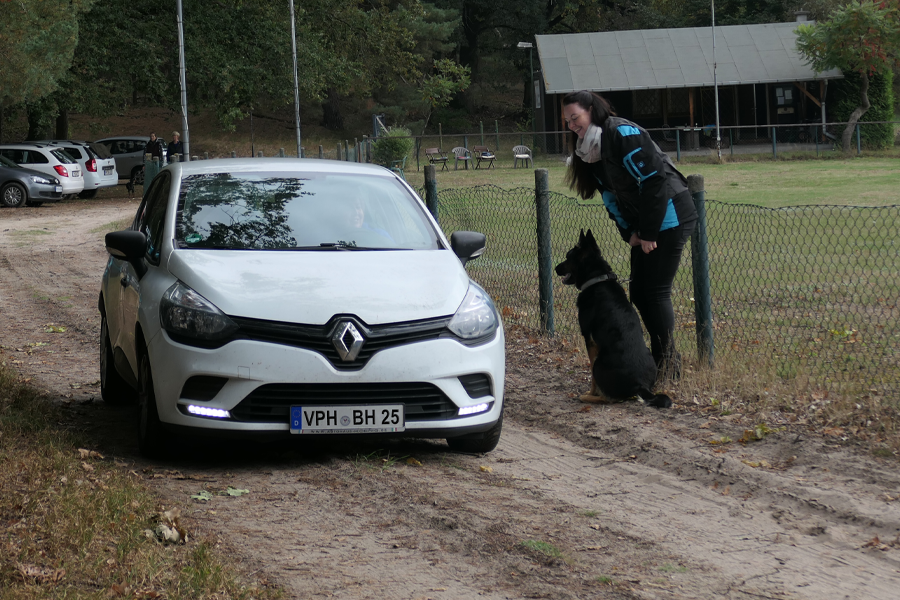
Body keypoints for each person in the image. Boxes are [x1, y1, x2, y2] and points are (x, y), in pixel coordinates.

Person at [562, 90, 698, 377]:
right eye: (568, 121)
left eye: (576, 117)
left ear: (591, 110)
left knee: (655, 292)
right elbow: (610, 197)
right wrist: (630, 234)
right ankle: (659, 361)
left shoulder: (621, 133)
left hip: (670, 215)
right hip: (644, 225)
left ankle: (667, 367)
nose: (572, 125)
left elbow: (654, 182)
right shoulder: (588, 149)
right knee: (638, 293)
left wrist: (649, 232)